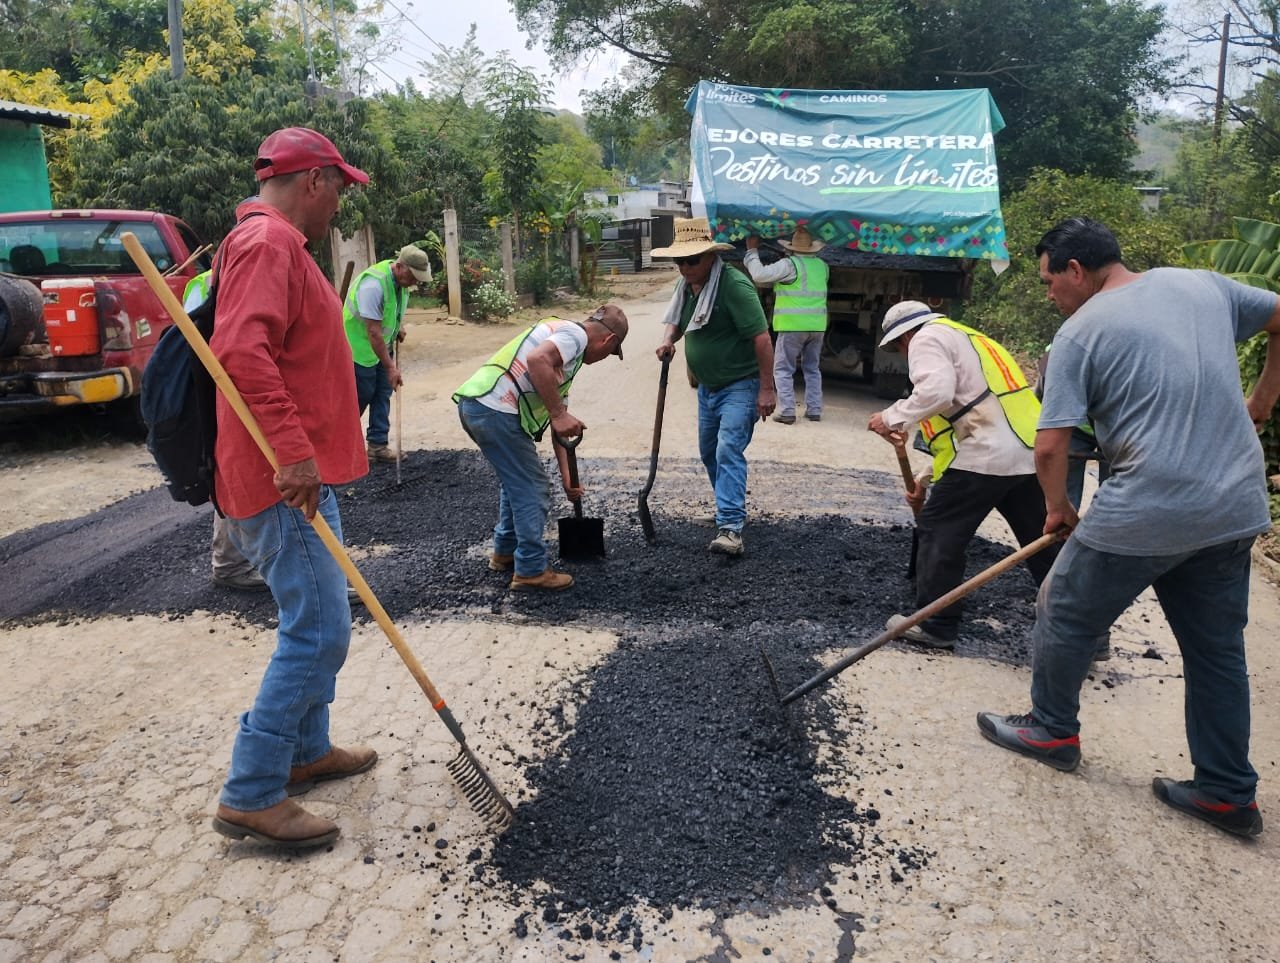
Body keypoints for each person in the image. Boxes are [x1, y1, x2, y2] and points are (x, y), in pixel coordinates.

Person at [978, 216, 1280, 838]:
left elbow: (1050, 446)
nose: (1048, 293)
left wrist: (1058, 508)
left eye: (1048, 281)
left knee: (1062, 608)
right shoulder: (1203, 286)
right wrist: (1262, 402)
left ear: (1076, 271)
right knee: (1216, 652)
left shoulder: (1079, 333)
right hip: (1233, 505)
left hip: (1151, 502)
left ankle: (1050, 729)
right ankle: (1227, 793)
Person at [207, 127, 377, 849]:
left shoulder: (271, 243)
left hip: (296, 473)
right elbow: (240, 351)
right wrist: (293, 453)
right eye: (339, 188)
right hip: (283, 479)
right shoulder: (268, 244)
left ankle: (307, 749)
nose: (339, 203)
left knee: (323, 618)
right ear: (314, 181)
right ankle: (252, 791)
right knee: (315, 629)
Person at [868, 300, 1055, 649]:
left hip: (988, 453)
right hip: (1026, 450)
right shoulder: (973, 339)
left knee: (939, 530)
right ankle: (1082, 629)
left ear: (906, 335)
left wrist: (891, 417)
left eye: (898, 345)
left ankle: (936, 623)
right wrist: (925, 480)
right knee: (1041, 540)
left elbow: (936, 392)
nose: (903, 352)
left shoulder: (926, 338)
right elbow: (955, 433)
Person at [452, 305, 628, 591]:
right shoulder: (574, 335)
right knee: (532, 488)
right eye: (610, 352)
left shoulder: (564, 356)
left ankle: (505, 551)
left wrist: (568, 478)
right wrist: (559, 415)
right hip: (496, 409)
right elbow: (536, 361)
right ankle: (531, 569)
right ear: (608, 341)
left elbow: (560, 428)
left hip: (479, 405)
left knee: (516, 483)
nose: (604, 358)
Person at [652, 217, 777, 556]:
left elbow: (762, 339)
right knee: (709, 452)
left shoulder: (733, 286)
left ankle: (732, 529)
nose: (684, 267)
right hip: (708, 387)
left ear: (710, 256)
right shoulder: (687, 286)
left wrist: (768, 389)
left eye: (692, 260)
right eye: (680, 261)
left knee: (727, 450)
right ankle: (727, 509)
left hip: (741, 384)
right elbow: (676, 321)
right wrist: (668, 341)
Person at [184, 257, 267, 593]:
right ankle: (230, 564)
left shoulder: (254, 271)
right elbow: (193, 344)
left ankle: (245, 559)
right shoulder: (207, 284)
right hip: (216, 392)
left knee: (244, 472)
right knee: (229, 472)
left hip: (240, 389)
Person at [343, 246, 431, 463]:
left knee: (383, 392)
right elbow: (373, 331)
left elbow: (391, 311)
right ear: (399, 266)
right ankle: (343, 449)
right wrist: (390, 366)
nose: (415, 282)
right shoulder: (373, 285)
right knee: (359, 397)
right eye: (413, 276)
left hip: (380, 346)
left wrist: (397, 327)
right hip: (357, 349)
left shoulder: (401, 282)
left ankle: (377, 445)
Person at [743, 226, 829, 424]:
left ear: (791, 248)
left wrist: (751, 252)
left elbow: (760, 275)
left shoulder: (789, 265)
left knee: (782, 369)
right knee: (812, 368)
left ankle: (788, 411)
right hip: (817, 326)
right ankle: (814, 409)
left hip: (792, 325)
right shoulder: (823, 266)